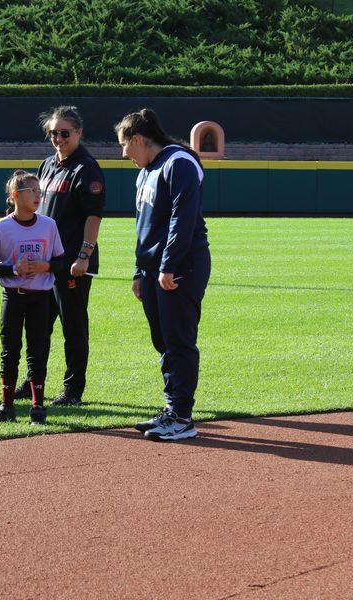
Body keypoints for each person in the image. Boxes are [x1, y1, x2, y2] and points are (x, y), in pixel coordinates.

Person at [115, 108, 211, 441]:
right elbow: (144, 227)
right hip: (154, 268)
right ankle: (172, 409)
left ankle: (182, 418)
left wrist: (169, 265)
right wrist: (140, 271)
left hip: (181, 265)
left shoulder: (178, 162)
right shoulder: (145, 171)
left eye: (125, 146)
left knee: (179, 340)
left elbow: (181, 219)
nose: (123, 153)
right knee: (164, 341)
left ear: (138, 139)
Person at [15, 105, 106, 406]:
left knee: (73, 328)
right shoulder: (47, 166)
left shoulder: (86, 168)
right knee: (39, 327)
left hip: (72, 265)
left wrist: (84, 256)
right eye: (53, 133)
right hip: (46, 262)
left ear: (79, 132)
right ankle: (33, 382)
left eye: (65, 133)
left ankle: (73, 390)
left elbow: (93, 216)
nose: (58, 138)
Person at [0, 170, 66, 425]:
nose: (38, 196)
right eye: (32, 191)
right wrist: (13, 269)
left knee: (37, 352)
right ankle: (6, 407)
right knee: (10, 351)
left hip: (40, 297)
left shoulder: (48, 225)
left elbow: (61, 261)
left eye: (40, 192)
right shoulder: (2, 227)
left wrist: (47, 266)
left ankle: (38, 408)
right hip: (13, 297)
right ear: (16, 195)